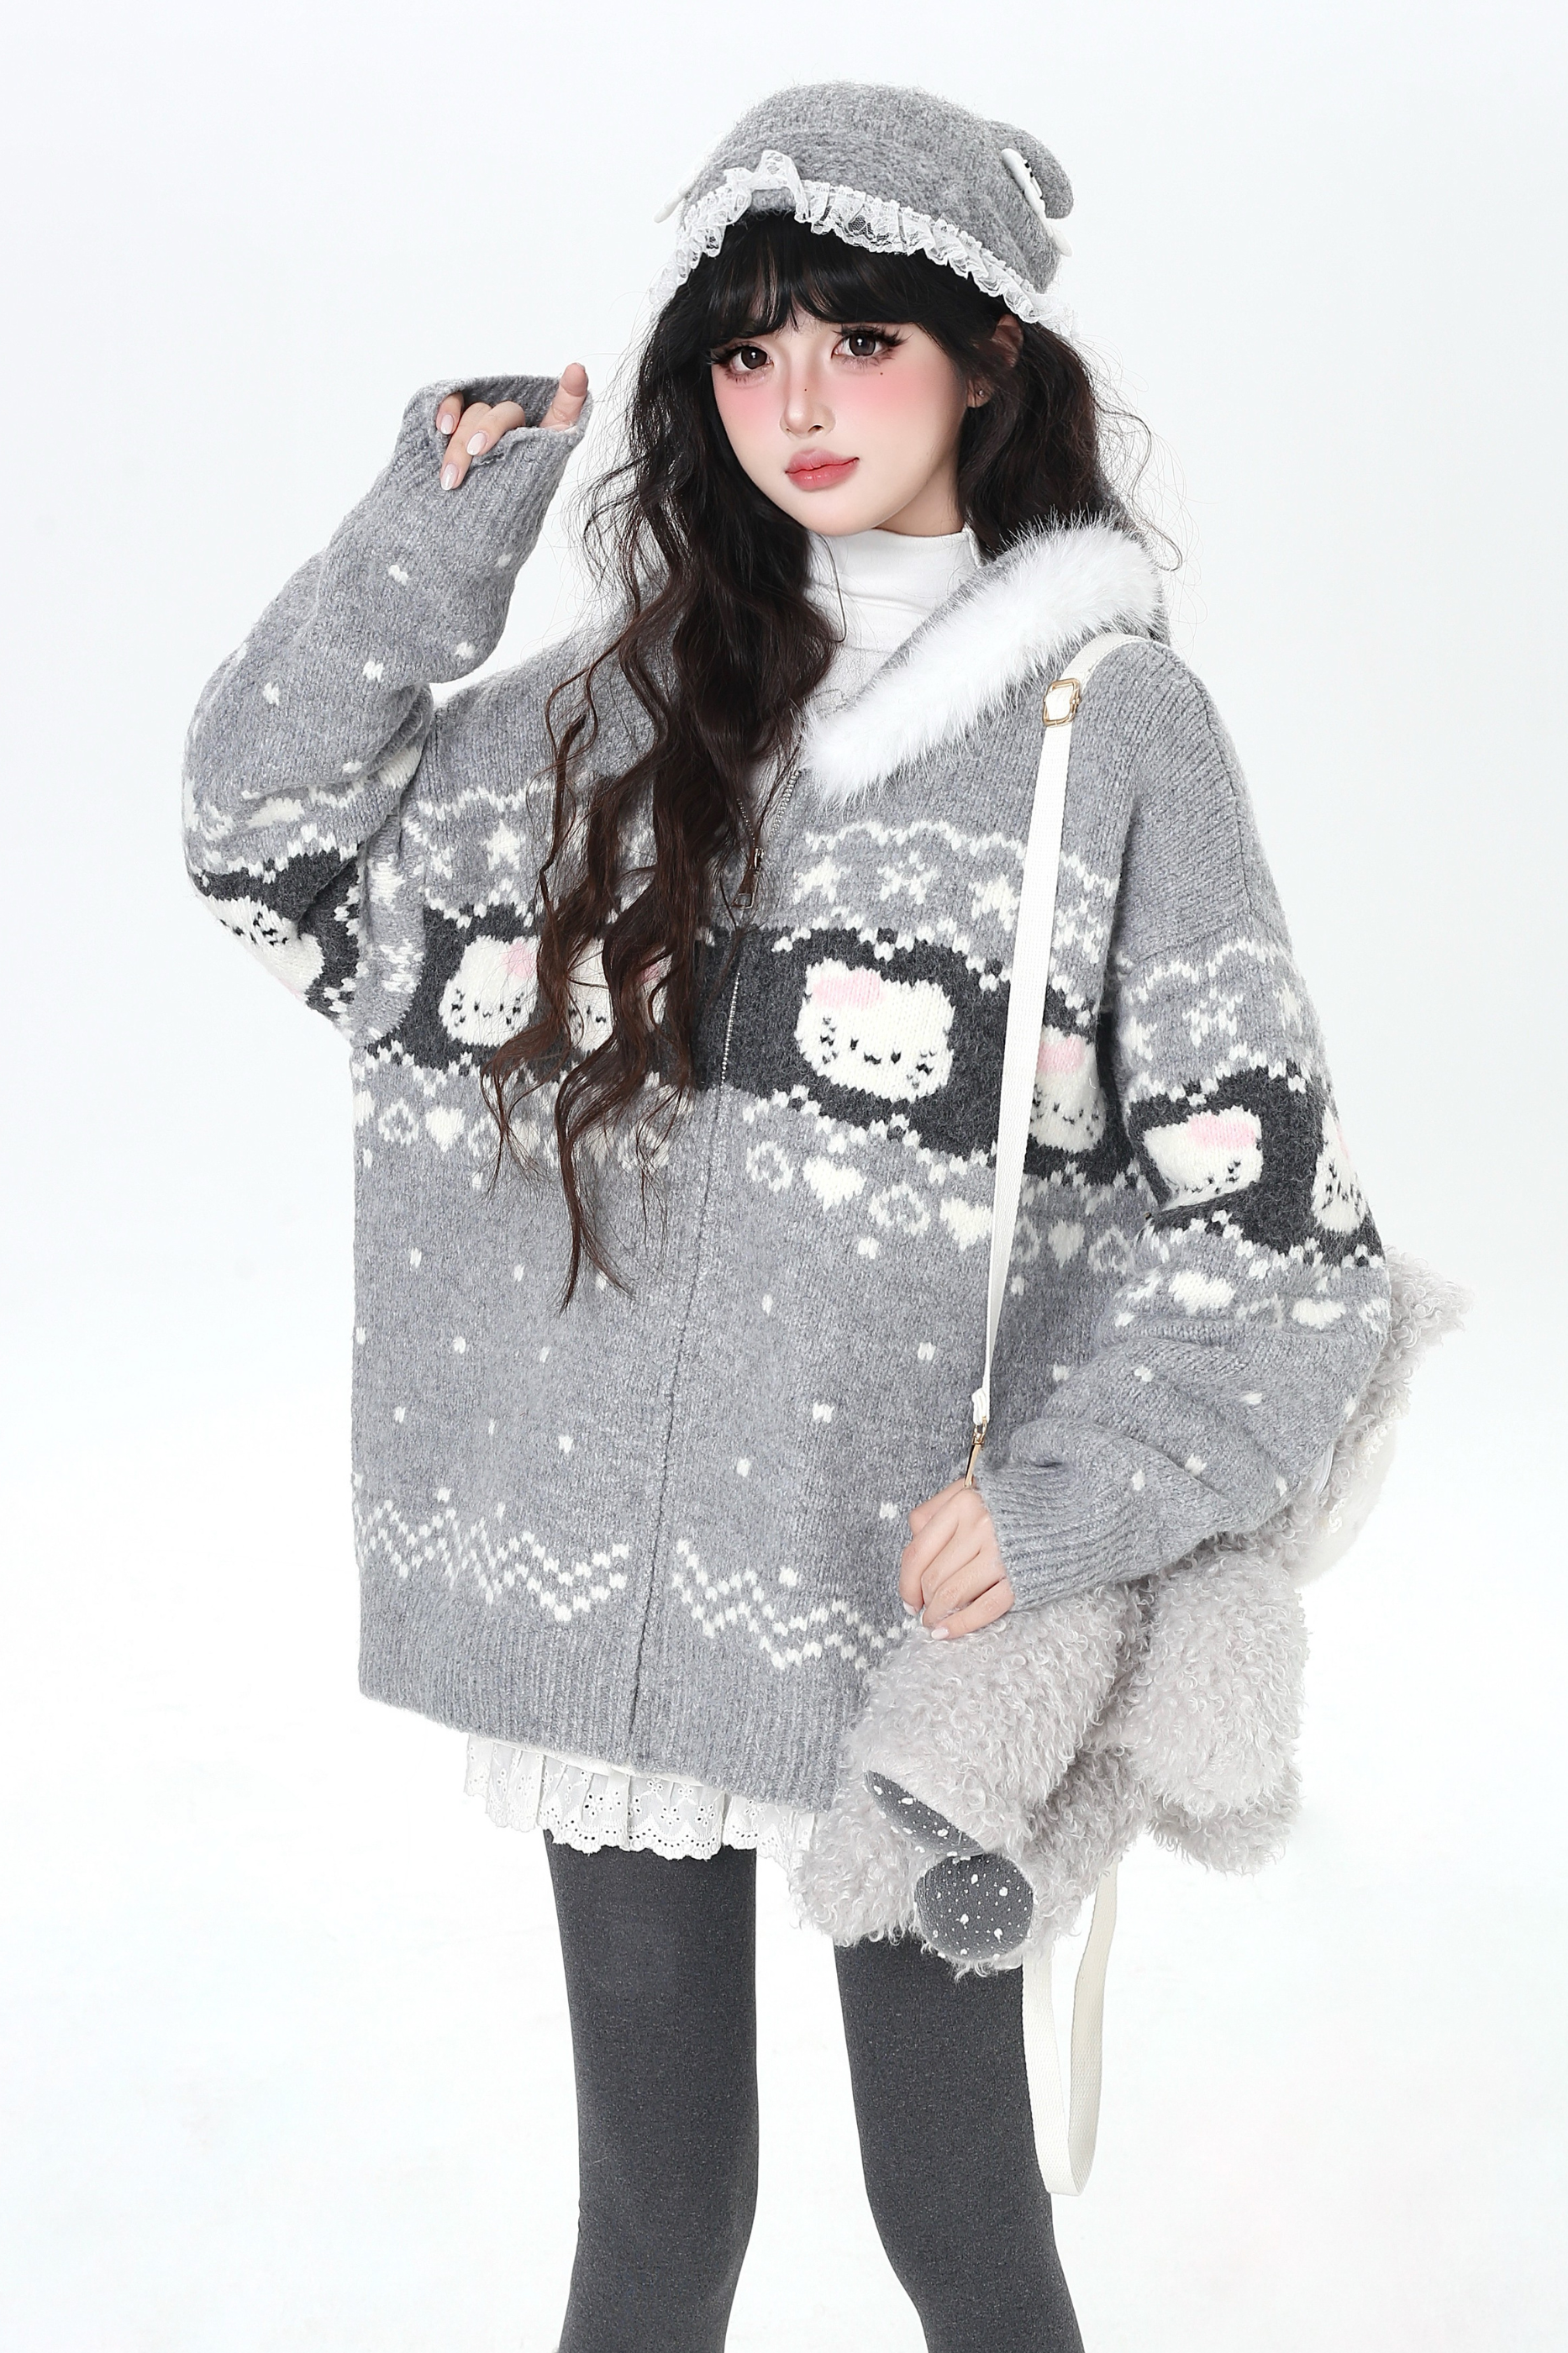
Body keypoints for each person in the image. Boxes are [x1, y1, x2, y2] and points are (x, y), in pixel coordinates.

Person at [183, 82, 1389, 2353]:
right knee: (656, 2214)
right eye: (749, 352)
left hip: (916, 1626)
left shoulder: (1108, 735)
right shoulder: (608, 715)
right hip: (619, 1611)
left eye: (861, 339)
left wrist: (1063, 1507)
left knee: (956, 2211)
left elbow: (1282, 1248)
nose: (802, 405)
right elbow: (264, 836)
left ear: (989, 357)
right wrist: (438, 531)